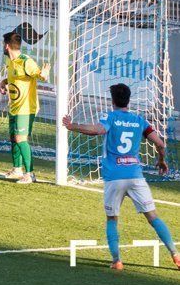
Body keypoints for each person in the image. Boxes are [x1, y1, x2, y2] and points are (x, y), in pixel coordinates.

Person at [63, 84, 180, 271]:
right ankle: (175, 254)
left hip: (114, 177)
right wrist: (161, 160)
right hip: (135, 176)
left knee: (112, 219)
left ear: (112, 100)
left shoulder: (110, 117)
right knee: (153, 217)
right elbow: (160, 143)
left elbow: (97, 130)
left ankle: (117, 260)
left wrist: (72, 126)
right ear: (129, 99)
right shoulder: (139, 120)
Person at [0, 31, 50, 184]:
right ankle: (17, 169)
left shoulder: (26, 61)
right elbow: (15, 76)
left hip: (26, 108)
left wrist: (45, 73)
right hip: (14, 106)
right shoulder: (10, 62)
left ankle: (30, 174)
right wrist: (4, 82)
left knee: (21, 138)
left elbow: (40, 75)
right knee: (13, 139)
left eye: (3, 44)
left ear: (7, 46)